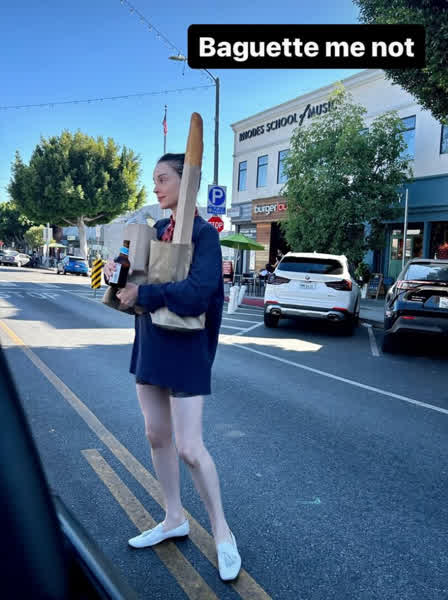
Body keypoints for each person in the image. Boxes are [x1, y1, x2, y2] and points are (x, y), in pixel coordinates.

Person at [103, 153, 242, 582]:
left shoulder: (204, 234)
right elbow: (132, 279)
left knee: (189, 448)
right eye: (154, 179)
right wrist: (114, 274)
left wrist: (144, 296)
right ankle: (173, 518)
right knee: (156, 435)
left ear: (188, 182)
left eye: (163, 179)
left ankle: (223, 533)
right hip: (150, 341)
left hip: (187, 348)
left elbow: (199, 292)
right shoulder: (156, 229)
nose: (156, 187)